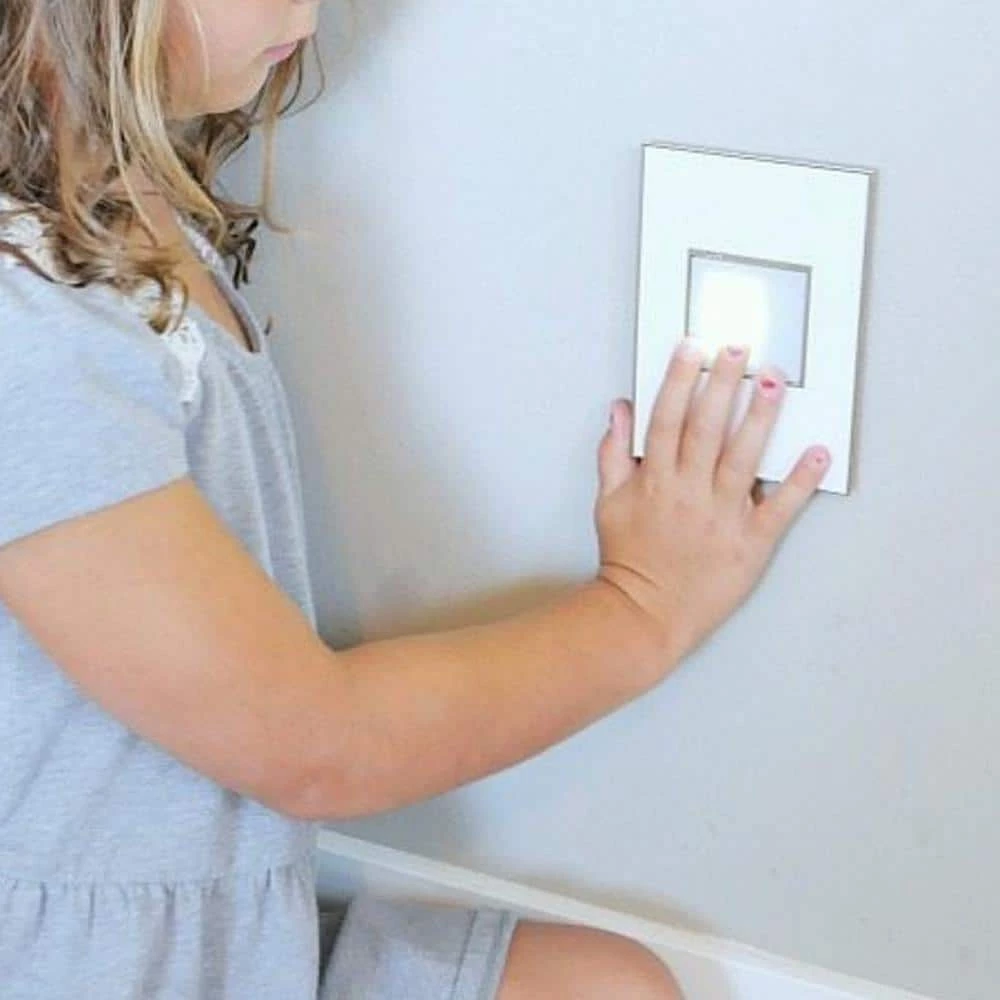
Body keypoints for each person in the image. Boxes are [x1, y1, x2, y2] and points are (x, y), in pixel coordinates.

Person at [0, 1, 831, 998]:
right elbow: (316, 746)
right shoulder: (27, 334)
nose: (310, 11)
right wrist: (644, 608)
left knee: (608, 985)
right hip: (90, 967)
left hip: (234, 934)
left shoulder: (120, 196)